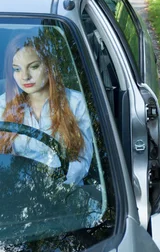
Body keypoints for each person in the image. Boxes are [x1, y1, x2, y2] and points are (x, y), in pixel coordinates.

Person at [0, 30, 93, 184]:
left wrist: (53, 185)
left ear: (49, 65)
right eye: (17, 69)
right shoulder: (3, 105)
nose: (25, 76)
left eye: (34, 66)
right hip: (16, 193)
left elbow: (82, 162)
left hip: (64, 193)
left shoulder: (76, 103)